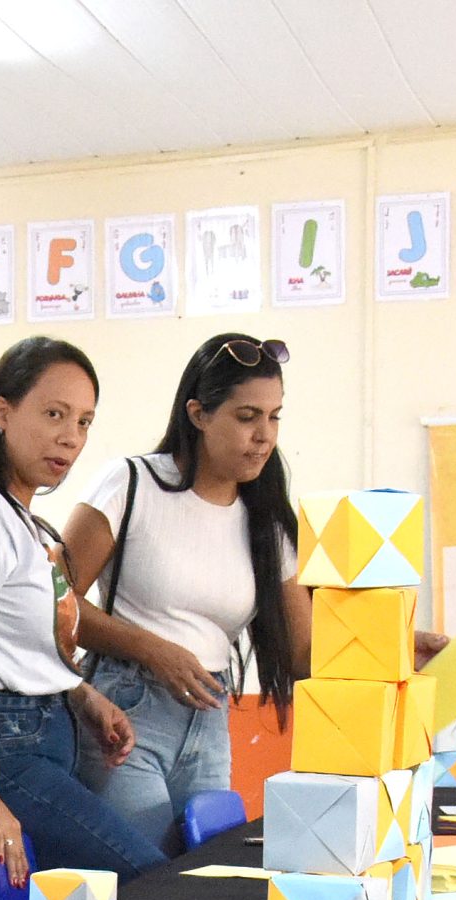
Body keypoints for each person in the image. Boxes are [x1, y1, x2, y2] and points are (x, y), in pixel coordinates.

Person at [0, 336, 161, 889]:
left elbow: (8, 645)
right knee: (152, 888)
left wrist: (81, 695)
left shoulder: (13, 513)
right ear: (2, 412)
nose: (71, 437)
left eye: (84, 422)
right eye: (54, 414)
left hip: (25, 741)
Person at [63, 334, 310, 852]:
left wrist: (393, 646)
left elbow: (303, 653)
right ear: (198, 414)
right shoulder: (132, 483)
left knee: (201, 883)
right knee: (143, 884)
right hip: (126, 709)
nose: (264, 436)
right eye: (247, 417)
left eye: (274, 417)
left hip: (209, 718)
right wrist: (152, 649)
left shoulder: (268, 521)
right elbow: (55, 600)